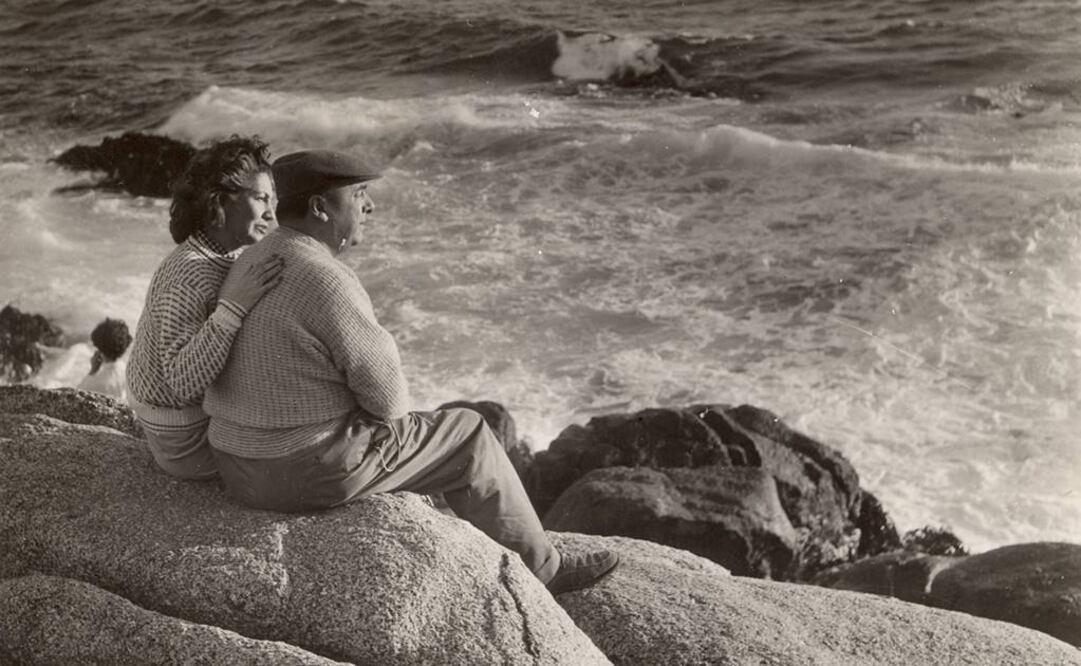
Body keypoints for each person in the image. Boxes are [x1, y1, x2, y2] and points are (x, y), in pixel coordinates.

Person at [203, 150, 619, 594]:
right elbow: (390, 403)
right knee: (469, 434)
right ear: (320, 208)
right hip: (295, 474)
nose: (369, 206)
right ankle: (545, 570)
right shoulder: (326, 277)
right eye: (358, 194)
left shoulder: (253, 258)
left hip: (234, 463)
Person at [126, 136, 285, 480]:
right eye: (260, 198)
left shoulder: (220, 255)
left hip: (188, 427)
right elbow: (183, 381)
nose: (272, 213)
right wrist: (234, 306)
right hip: (186, 443)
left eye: (273, 200)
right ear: (219, 202)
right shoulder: (191, 273)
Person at [77, 317, 132, 401]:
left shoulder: (95, 383)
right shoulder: (127, 370)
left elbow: (76, 396)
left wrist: (92, 372)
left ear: (98, 347)